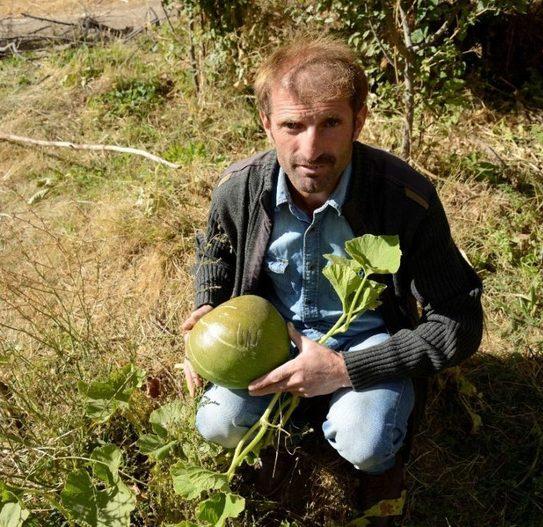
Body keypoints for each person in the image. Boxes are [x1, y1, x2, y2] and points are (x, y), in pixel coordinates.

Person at [180, 35, 483, 525]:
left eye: (330, 123)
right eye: (292, 126)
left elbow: (459, 321)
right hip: (270, 339)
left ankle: (380, 468)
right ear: (267, 124)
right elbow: (216, 249)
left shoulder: (405, 199)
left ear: (359, 121)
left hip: (368, 345)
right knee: (217, 425)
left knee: (365, 440)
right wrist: (207, 303)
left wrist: (344, 370)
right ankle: (278, 446)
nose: (311, 148)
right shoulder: (239, 189)